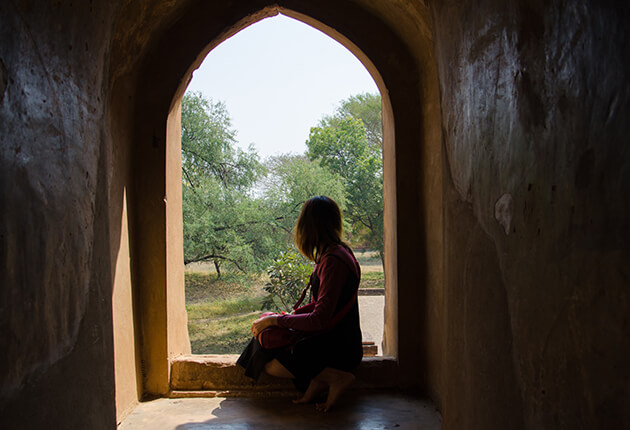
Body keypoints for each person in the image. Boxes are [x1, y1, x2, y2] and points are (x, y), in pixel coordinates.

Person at [237, 195, 363, 412]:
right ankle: (318, 380)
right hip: (337, 337)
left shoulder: (333, 261)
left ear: (309, 226)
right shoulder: (332, 254)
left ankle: (334, 377)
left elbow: (320, 318)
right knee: (262, 343)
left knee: (270, 359)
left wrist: (277, 320)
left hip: (342, 347)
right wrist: (277, 321)